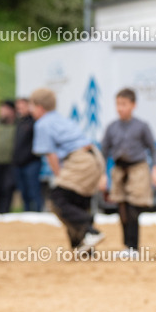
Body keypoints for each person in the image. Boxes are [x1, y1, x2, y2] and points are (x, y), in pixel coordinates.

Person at [30, 88, 106, 252]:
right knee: (77, 200)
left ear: (40, 107)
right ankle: (82, 247)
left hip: (79, 160)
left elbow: (52, 155)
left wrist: (59, 176)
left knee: (57, 199)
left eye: (32, 106)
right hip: (94, 156)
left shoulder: (42, 124)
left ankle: (90, 231)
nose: (31, 110)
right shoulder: (59, 118)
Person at [98, 88, 156, 254]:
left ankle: (134, 246)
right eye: (118, 104)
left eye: (124, 104)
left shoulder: (142, 126)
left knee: (135, 208)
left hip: (137, 170)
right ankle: (127, 245)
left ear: (133, 105)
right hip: (119, 171)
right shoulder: (111, 127)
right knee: (123, 210)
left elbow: (153, 150)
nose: (120, 108)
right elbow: (104, 153)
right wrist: (102, 175)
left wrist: (155, 171)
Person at [12, 96, 44, 212]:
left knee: (33, 191)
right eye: (18, 107)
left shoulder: (35, 122)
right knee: (24, 193)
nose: (19, 109)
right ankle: (27, 214)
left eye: (22, 106)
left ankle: (38, 213)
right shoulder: (19, 122)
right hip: (19, 163)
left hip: (31, 163)